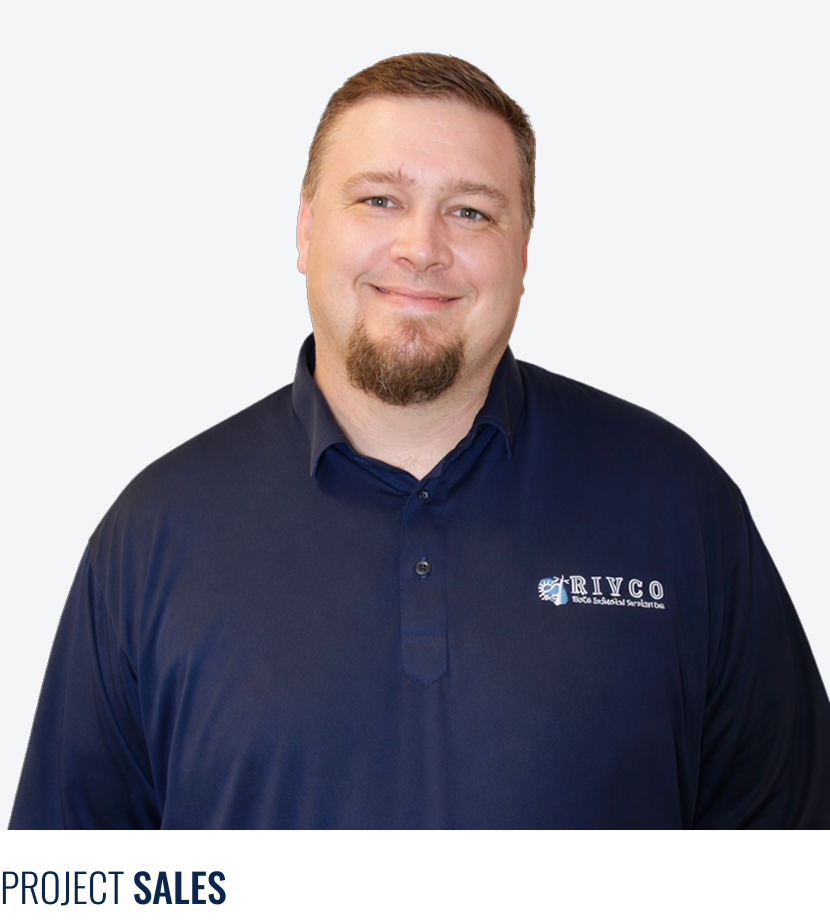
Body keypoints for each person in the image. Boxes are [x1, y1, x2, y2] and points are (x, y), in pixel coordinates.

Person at [10, 53, 829, 829]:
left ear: (522, 253)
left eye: (470, 211)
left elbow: (797, 864)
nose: (422, 248)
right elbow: (71, 891)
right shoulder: (155, 533)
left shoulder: (678, 504)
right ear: (302, 231)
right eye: (378, 200)